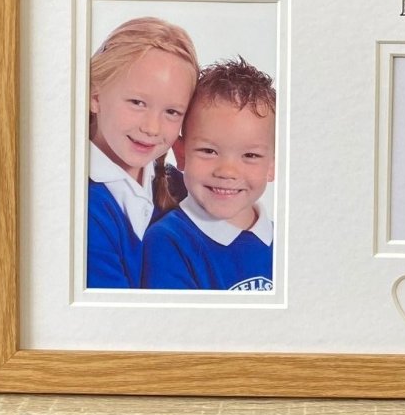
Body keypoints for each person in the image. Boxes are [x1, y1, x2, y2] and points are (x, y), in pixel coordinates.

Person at [141, 58, 276, 292]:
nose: (227, 172)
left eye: (251, 155)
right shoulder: (167, 243)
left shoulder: (287, 241)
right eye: (209, 151)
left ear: (272, 165)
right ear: (181, 154)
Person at [87, 17, 199, 289]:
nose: (152, 128)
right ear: (95, 95)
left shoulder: (178, 185)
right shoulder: (82, 206)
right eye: (137, 102)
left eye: (172, 112)